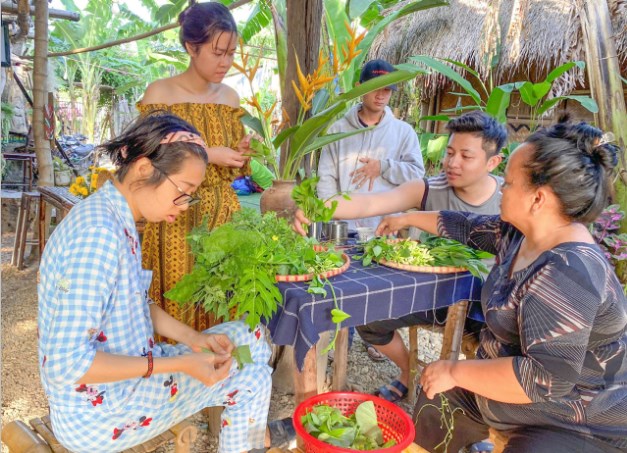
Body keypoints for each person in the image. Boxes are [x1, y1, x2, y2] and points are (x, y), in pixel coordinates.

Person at [376, 120, 627, 452]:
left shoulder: (568, 272)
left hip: (572, 416)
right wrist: (405, 218)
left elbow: (543, 379)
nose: (500, 189)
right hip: (512, 395)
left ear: (538, 199)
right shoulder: (520, 234)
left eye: (507, 183)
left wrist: (454, 370)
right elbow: (464, 225)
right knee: (434, 394)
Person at [37, 113, 276, 453]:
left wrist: (193, 340)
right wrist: (180, 363)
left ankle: (250, 439)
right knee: (252, 375)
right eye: (184, 191)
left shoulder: (112, 215)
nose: (184, 206)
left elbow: (138, 303)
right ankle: (251, 442)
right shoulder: (98, 237)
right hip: (100, 417)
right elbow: (66, 364)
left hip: (116, 388)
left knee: (248, 337)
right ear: (144, 169)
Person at [297, 111, 507, 402]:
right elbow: (369, 202)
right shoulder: (429, 187)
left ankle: (468, 406)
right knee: (369, 319)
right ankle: (410, 372)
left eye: (465, 156)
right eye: (449, 152)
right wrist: (316, 208)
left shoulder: (507, 199)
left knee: (499, 346)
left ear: (493, 162)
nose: (452, 163)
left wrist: (413, 219)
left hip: (486, 304)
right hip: (434, 295)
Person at [137, 2, 251, 333]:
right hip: (175, 221)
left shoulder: (230, 98)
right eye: (217, 53)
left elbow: (237, 171)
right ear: (191, 47)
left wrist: (242, 154)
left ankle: (219, 382)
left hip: (222, 222)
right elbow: (146, 157)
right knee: (177, 305)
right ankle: (173, 379)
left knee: (220, 307)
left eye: (231, 53)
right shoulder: (160, 94)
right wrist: (208, 152)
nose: (226, 62)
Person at [316, 58, 425, 232]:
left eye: (387, 89)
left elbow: (417, 176)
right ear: (360, 86)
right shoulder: (338, 130)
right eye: (375, 87)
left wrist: (383, 167)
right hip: (343, 229)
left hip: (385, 230)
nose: (381, 95)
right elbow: (325, 177)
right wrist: (332, 213)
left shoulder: (404, 132)